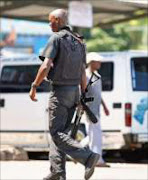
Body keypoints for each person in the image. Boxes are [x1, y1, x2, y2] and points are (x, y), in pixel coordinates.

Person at [29, 9, 99, 180]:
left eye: (50, 21)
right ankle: (57, 172)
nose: (49, 24)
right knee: (61, 133)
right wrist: (83, 94)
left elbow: (46, 66)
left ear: (57, 20)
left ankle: (87, 156)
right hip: (74, 92)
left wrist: (34, 85)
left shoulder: (56, 38)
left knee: (56, 132)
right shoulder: (80, 42)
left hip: (60, 93)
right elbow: (83, 72)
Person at [80, 52, 110, 167]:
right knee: (95, 135)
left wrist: (105, 106)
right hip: (89, 109)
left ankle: (77, 151)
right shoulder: (85, 76)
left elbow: (98, 94)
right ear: (91, 62)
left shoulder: (97, 76)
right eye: (98, 62)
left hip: (96, 109)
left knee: (94, 134)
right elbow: (82, 92)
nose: (100, 64)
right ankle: (97, 160)